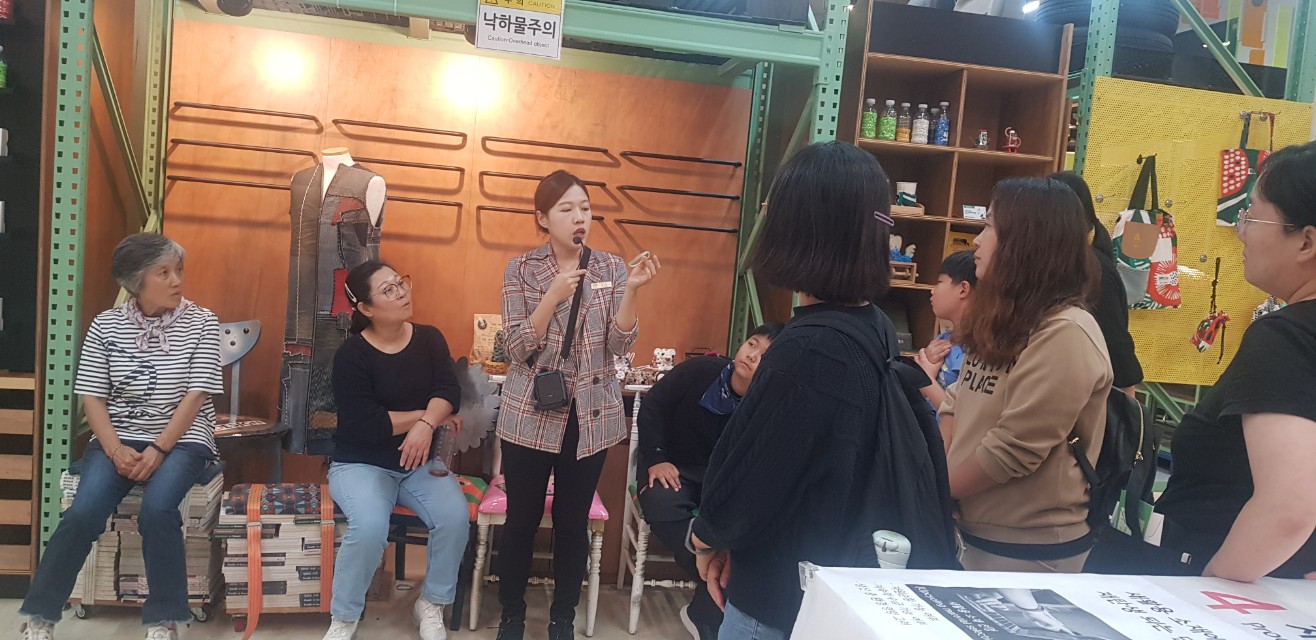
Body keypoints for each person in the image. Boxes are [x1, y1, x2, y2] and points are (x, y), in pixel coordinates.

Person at [687, 141, 960, 639]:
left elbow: (757, 472)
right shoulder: (875, 325)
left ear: (800, 228)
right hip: (829, 575)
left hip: (779, 594)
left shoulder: (810, 348)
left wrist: (706, 539)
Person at [20, 234, 223, 640]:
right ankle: (40, 616)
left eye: (178, 270)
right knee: (82, 513)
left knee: (158, 510)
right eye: (163, 273)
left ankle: (164, 620)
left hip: (183, 437)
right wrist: (114, 451)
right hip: (119, 436)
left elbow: (197, 394)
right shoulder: (106, 325)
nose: (177, 280)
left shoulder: (202, 321)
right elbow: (92, 396)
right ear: (135, 282)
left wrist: (159, 449)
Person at [496, 170, 661, 640]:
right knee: (521, 521)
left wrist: (632, 290)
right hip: (530, 413)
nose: (579, 217)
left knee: (572, 524)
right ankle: (511, 616)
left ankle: (562, 619)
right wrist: (552, 295)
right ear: (543, 218)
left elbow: (620, 344)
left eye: (585, 208)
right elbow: (516, 348)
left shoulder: (609, 267)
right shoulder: (521, 270)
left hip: (590, 416)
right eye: (566, 209)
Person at [1154, 141, 1316, 581]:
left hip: (1251, 588)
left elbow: (1287, 509)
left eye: (1252, 217)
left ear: (1306, 241)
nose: (1241, 233)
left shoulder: (1285, 338)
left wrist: (1209, 594)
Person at [941, 177, 1112, 573]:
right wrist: (942, 484)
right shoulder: (1000, 317)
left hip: (1028, 550)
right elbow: (956, 401)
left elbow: (1013, 450)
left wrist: (936, 489)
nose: (977, 241)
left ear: (1026, 241)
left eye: (989, 226)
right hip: (971, 531)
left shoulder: (1066, 331)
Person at [321, 261, 468, 640]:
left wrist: (426, 426)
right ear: (365, 308)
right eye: (388, 290)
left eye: (401, 283)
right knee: (370, 527)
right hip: (360, 464)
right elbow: (365, 423)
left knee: (454, 519)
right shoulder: (351, 355)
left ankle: (431, 603)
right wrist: (424, 418)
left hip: (419, 464)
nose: (402, 292)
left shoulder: (429, 338)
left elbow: (449, 391)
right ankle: (344, 616)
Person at [636, 323, 783, 639]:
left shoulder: (768, 406)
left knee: (750, 530)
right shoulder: (700, 371)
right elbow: (653, 405)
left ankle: (707, 609)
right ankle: (707, 603)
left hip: (721, 485)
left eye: (764, 354)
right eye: (752, 344)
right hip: (670, 467)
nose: (752, 355)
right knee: (663, 500)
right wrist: (657, 456)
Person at [1050, 170, 1144, 393]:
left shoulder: (1093, 269)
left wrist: (1127, 405)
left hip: (1096, 396)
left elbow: (1116, 345)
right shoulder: (1057, 264)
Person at [914, 250, 976, 412]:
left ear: (963, 289)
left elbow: (960, 416)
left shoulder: (976, 350)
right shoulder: (943, 339)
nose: (932, 290)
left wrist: (925, 377)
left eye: (940, 282)